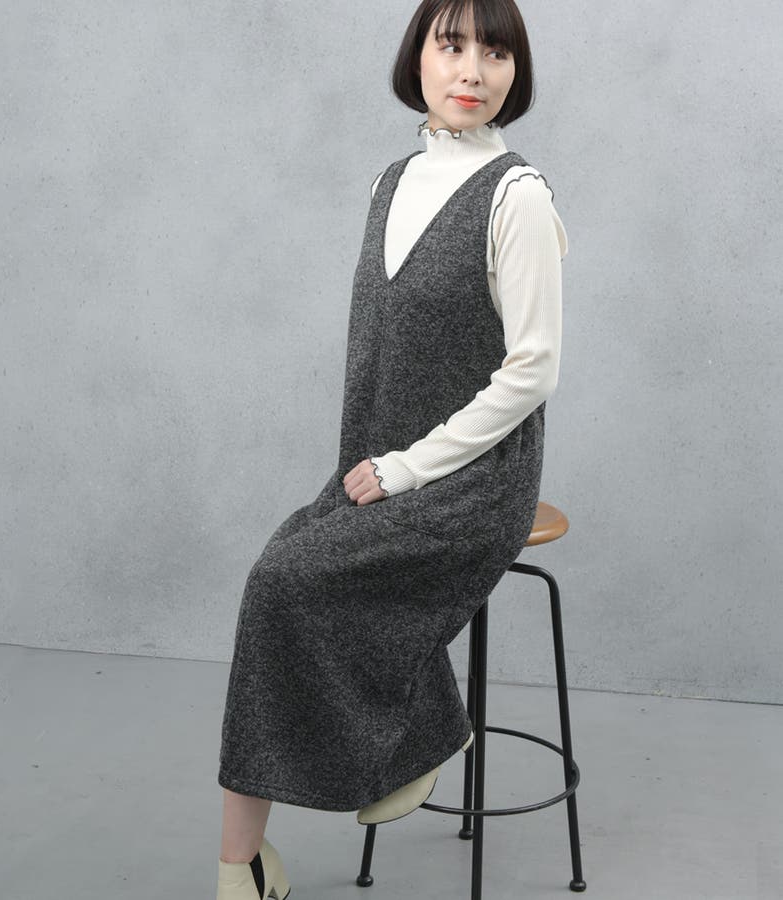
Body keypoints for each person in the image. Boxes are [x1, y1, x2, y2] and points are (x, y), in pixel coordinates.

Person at [215, 0, 567, 896]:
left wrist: (407, 469)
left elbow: (532, 372)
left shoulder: (518, 198)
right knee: (276, 579)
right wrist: (374, 467)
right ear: (418, 59)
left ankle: (407, 746)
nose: (473, 71)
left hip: (475, 479)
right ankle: (244, 859)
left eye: (496, 53)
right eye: (453, 47)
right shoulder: (389, 183)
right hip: (376, 464)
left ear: (516, 72)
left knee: (287, 581)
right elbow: (376, 351)